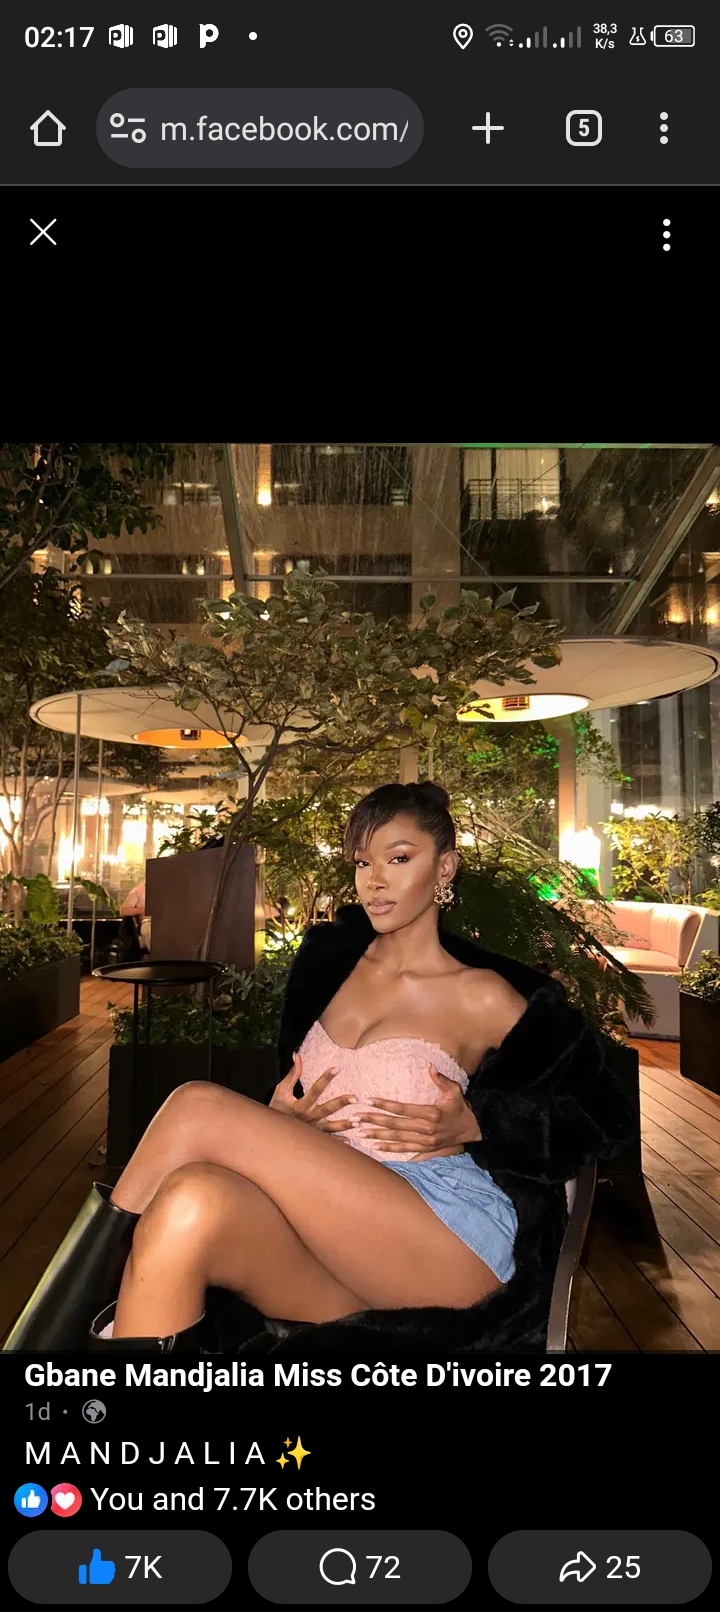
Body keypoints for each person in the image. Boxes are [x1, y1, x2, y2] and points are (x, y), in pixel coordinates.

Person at [3, 781, 636, 1355]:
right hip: (329, 1231)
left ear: (444, 867)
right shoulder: (331, 966)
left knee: (196, 1105)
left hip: (440, 1237)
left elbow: (607, 1112)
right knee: (189, 1202)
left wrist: (482, 1123)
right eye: (362, 862)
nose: (374, 881)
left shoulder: (484, 994)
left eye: (398, 858)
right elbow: (294, 1103)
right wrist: (282, 1118)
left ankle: (46, 1343)